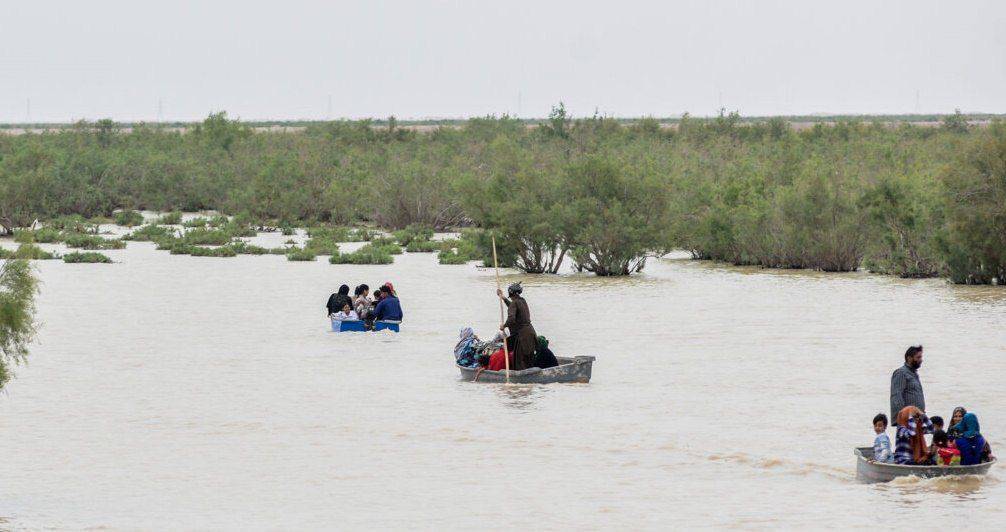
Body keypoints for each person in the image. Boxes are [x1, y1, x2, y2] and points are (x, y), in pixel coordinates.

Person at [497, 282, 538, 371]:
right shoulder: (522, 301)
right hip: (531, 333)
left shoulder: (514, 303)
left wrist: (503, 326)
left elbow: (511, 319)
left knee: (519, 361)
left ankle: (522, 382)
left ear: (511, 293)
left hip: (522, 336)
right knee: (529, 359)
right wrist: (503, 298)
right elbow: (512, 306)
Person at [890, 345, 925, 425]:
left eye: (921, 357)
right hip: (907, 421)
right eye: (918, 357)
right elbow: (896, 396)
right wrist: (905, 416)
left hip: (918, 420)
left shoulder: (914, 374)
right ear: (909, 358)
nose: (921, 360)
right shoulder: (901, 373)